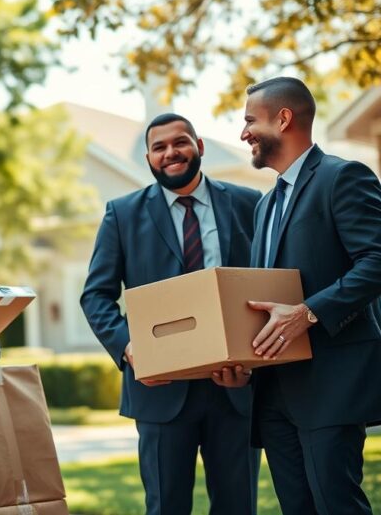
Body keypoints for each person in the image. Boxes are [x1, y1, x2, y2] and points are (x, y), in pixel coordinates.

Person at [80, 113, 262, 515]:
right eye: (158, 147)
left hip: (234, 388)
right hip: (160, 391)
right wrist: (130, 349)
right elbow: (95, 296)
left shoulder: (249, 204)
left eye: (179, 142)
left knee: (239, 507)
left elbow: (266, 284)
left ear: (199, 145)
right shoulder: (122, 214)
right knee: (166, 507)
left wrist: (253, 361)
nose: (170, 153)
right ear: (148, 158)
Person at [240, 76, 381, 514]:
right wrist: (240, 359)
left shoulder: (343, 177)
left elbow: (377, 260)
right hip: (274, 392)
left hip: (331, 386)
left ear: (283, 119)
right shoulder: (265, 205)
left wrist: (309, 313)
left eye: (250, 121)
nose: (244, 133)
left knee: (337, 506)